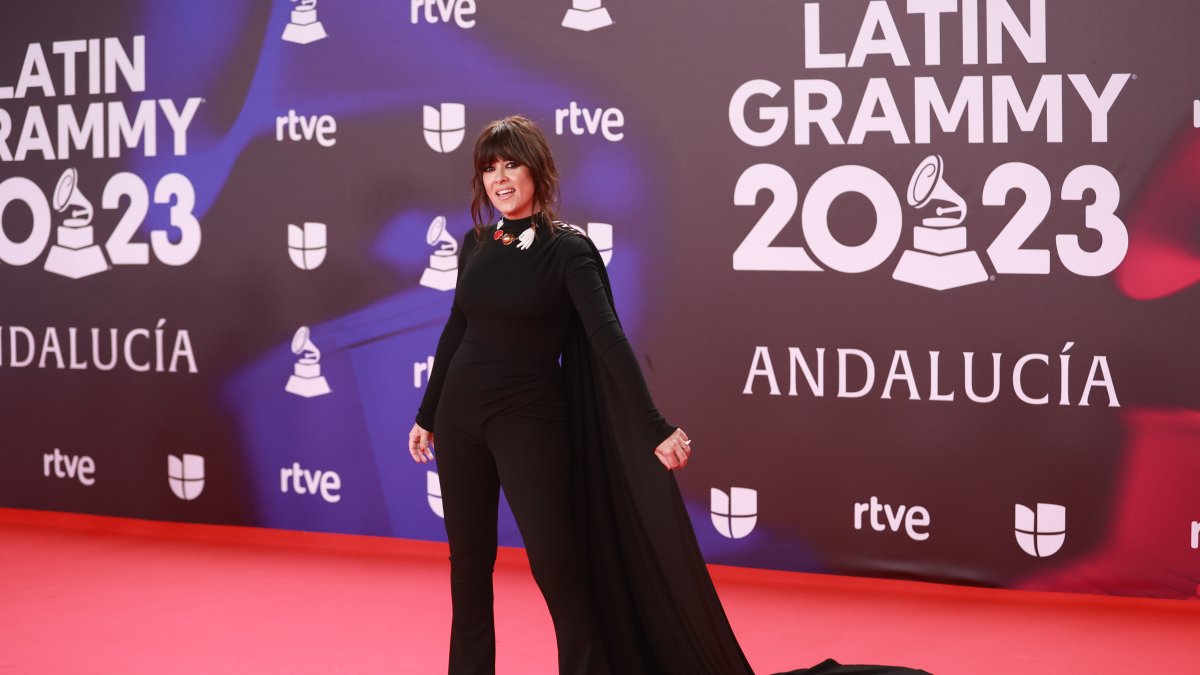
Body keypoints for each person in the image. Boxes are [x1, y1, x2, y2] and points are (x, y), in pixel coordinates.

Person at [408, 115, 927, 675]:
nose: (499, 178)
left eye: (511, 164)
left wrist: (653, 425)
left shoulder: (569, 250)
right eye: (489, 168)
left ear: (539, 171)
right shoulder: (477, 243)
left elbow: (607, 340)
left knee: (558, 568)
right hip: (460, 418)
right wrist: (429, 413)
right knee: (468, 567)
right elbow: (457, 327)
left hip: (528, 421)